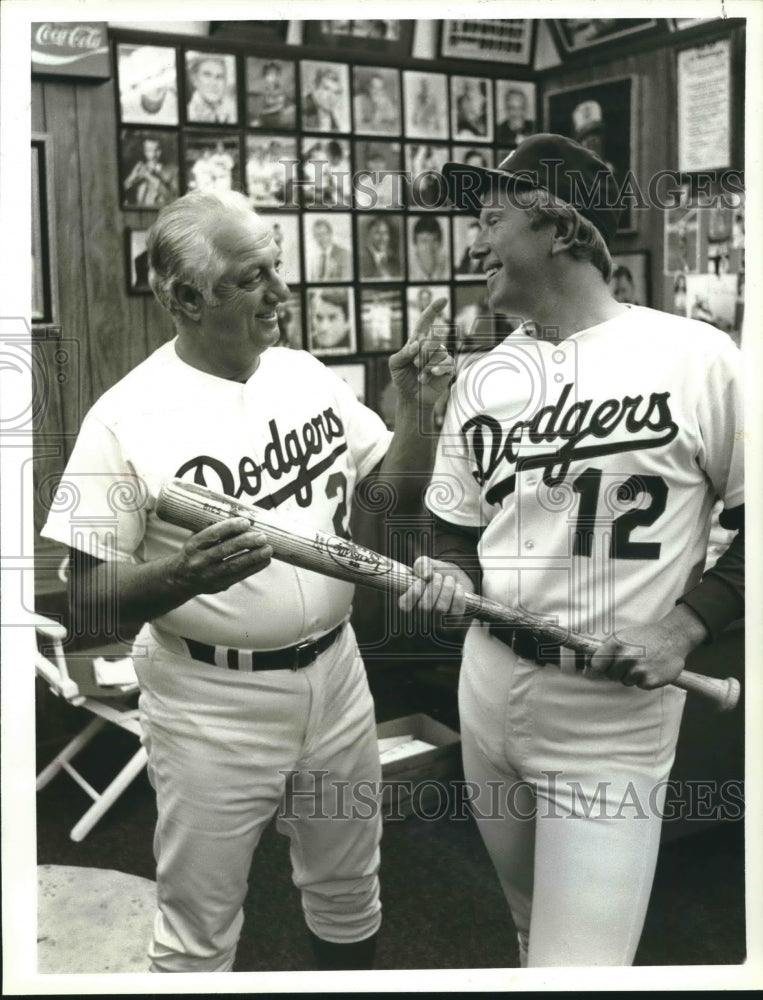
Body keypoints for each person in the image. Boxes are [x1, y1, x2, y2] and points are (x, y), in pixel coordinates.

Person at [41, 189, 453, 973]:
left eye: (276, 266)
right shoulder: (125, 417)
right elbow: (87, 596)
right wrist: (179, 577)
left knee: (349, 887)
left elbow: (386, 501)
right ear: (186, 297)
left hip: (335, 674)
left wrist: (415, 410)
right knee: (199, 926)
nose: (280, 292)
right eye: (251, 276)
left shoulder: (303, 374)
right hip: (210, 701)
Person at [398, 134, 744, 967]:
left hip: (609, 711)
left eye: (489, 218)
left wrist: (683, 628)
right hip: (487, 685)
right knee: (525, 927)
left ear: (557, 227)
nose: (471, 243)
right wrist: (445, 566)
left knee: (579, 966)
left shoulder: (695, 357)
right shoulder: (485, 378)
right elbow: (454, 521)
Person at [119, 45, 178, 125]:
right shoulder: (171, 66)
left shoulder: (130, 70)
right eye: (159, 90)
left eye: (154, 90)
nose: (156, 86)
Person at [123, 136, 178, 208]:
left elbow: (174, 199)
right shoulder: (138, 169)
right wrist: (131, 177)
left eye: (157, 149)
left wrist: (150, 177)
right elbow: (120, 195)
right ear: (144, 152)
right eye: (149, 150)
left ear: (162, 150)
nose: (153, 154)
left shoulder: (173, 170)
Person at [187, 53, 237, 124]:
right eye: (207, 75)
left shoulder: (233, 111)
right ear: (195, 79)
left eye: (219, 77)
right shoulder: (188, 114)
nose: (214, 83)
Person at [252, 61, 296, 129]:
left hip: (277, 117)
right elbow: (260, 108)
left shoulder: (280, 90)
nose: (273, 77)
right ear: (265, 76)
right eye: (270, 74)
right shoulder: (262, 90)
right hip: (265, 117)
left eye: (276, 74)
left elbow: (283, 104)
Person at [302, 66, 344, 132]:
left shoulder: (333, 119)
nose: (331, 97)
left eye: (336, 92)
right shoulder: (302, 110)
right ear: (314, 88)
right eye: (326, 89)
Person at [408, 216, 449, 281]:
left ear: (440, 243)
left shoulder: (449, 267)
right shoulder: (406, 270)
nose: (429, 247)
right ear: (415, 244)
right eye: (424, 241)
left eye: (434, 240)